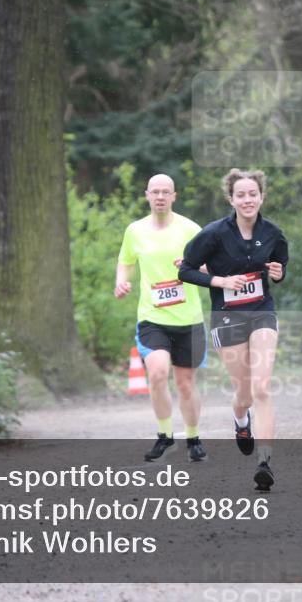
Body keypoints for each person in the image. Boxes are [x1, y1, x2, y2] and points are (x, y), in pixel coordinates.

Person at [179, 169, 288, 491]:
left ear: (261, 196)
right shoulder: (213, 234)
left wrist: (279, 273)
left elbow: (280, 271)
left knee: (263, 388)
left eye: (252, 194)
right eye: (240, 195)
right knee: (244, 395)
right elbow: (185, 271)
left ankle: (265, 461)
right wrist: (220, 281)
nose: (247, 200)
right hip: (227, 316)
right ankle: (241, 421)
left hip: (261, 312)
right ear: (231, 199)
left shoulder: (273, 233)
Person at [115, 174, 208, 463]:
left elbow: (210, 269)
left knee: (185, 383)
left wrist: (191, 265)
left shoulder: (191, 229)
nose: (160, 196)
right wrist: (122, 282)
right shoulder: (135, 231)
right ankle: (165, 437)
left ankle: (193, 438)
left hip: (188, 318)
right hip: (152, 317)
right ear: (146, 195)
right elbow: (126, 261)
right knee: (156, 373)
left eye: (165, 192)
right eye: (155, 191)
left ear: (174, 196)